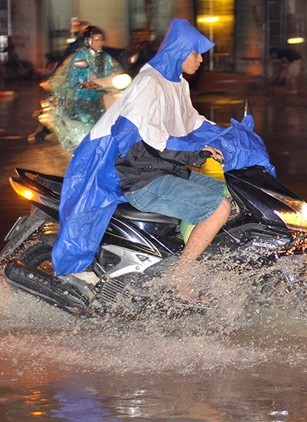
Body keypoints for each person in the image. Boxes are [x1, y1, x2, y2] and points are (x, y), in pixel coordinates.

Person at [52, 18, 274, 277]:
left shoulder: (179, 84)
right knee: (219, 207)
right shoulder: (150, 83)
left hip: (165, 169)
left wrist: (229, 135)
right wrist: (197, 152)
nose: (200, 60)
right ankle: (181, 275)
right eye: (195, 53)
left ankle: (189, 251)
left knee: (231, 195)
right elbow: (151, 138)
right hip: (142, 178)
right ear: (179, 51)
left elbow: (193, 125)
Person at [49, 25, 123, 127]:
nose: (100, 42)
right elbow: (73, 79)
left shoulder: (106, 57)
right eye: (96, 40)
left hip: (101, 92)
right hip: (82, 96)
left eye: (101, 39)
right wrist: (83, 84)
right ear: (88, 41)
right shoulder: (79, 57)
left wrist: (119, 77)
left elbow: (115, 71)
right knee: (91, 120)